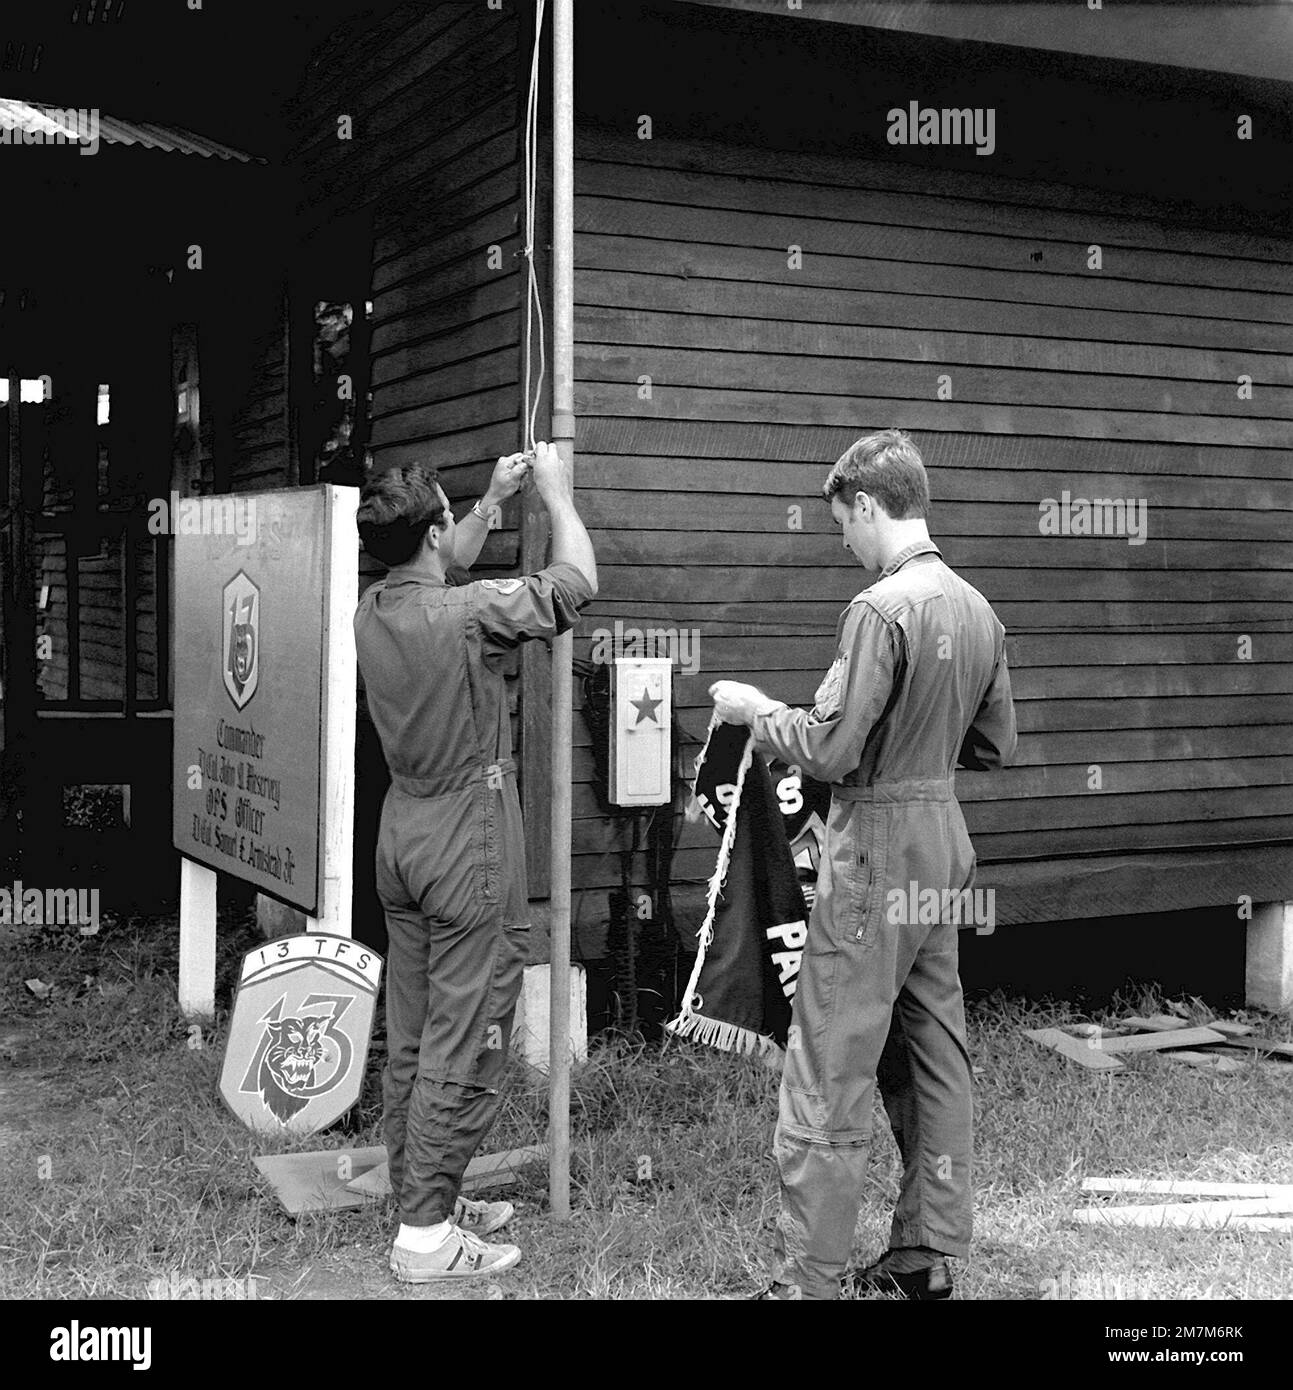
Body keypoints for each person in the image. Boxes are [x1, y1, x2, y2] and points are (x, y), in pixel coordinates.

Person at [710, 428, 1017, 1302]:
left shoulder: (879, 610)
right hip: (940, 842)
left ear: (869, 505)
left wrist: (755, 709)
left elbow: (833, 749)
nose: (841, 538)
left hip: (877, 843)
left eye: (841, 520)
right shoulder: (975, 608)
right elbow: (993, 746)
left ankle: (808, 1279)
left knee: (829, 1061)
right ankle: (926, 1255)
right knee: (934, 1053)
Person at [353, 441, 596, 1283]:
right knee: (469, 1039)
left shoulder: (376, 605)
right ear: (432, 535)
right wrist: (556, 497)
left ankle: (424, 1195)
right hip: (467, 835)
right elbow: (572, 588)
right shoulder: (464, 616)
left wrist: (489, 500)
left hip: (403, 831)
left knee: (416, 1037)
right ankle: (425, 1239)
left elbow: (436, 565)